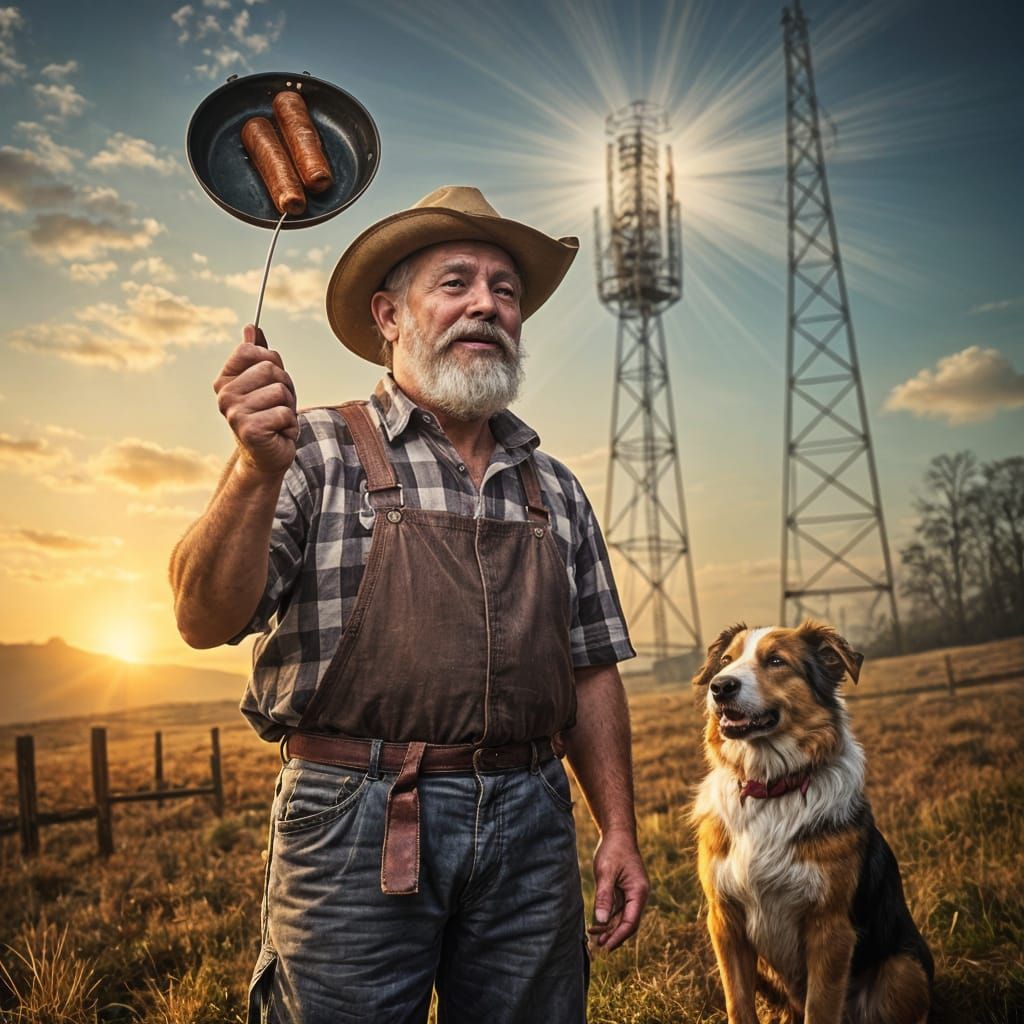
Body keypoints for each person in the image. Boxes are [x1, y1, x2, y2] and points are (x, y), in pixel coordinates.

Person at [169, 185, 647, 1024]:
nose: (486, 305)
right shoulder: (309, 448)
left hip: (532, 822)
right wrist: (251, 470)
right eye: (455, 282)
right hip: (355, 818)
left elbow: (592, 670)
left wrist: (618, 828)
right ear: (388, 315)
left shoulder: (556, 490)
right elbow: (201, 619)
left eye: (506, 289)